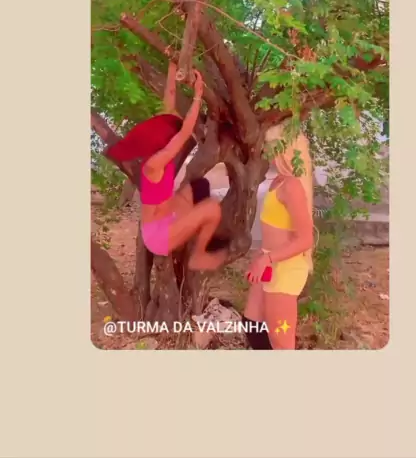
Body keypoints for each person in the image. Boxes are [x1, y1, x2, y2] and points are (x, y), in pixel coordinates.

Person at [106, 61, 229, 271]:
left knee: (199, 187)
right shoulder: (154, 164)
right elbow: (184, 133)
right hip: (157, 237)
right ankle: (198, 255)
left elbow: (169, 105)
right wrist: (198, 95)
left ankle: (193, 229)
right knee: (212, 208)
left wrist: (173, 68)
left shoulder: (158, 151)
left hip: (167, 216)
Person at [243, 123, 314, 349]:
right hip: (271, 264)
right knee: (253, 325)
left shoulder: (292, 186)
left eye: (270, 145)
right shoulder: (279, 180)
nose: (265, 151)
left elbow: (306, 239)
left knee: (281, 343)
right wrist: (262, 255)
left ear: (284, 149)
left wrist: (267, 258)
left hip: (285, 270)